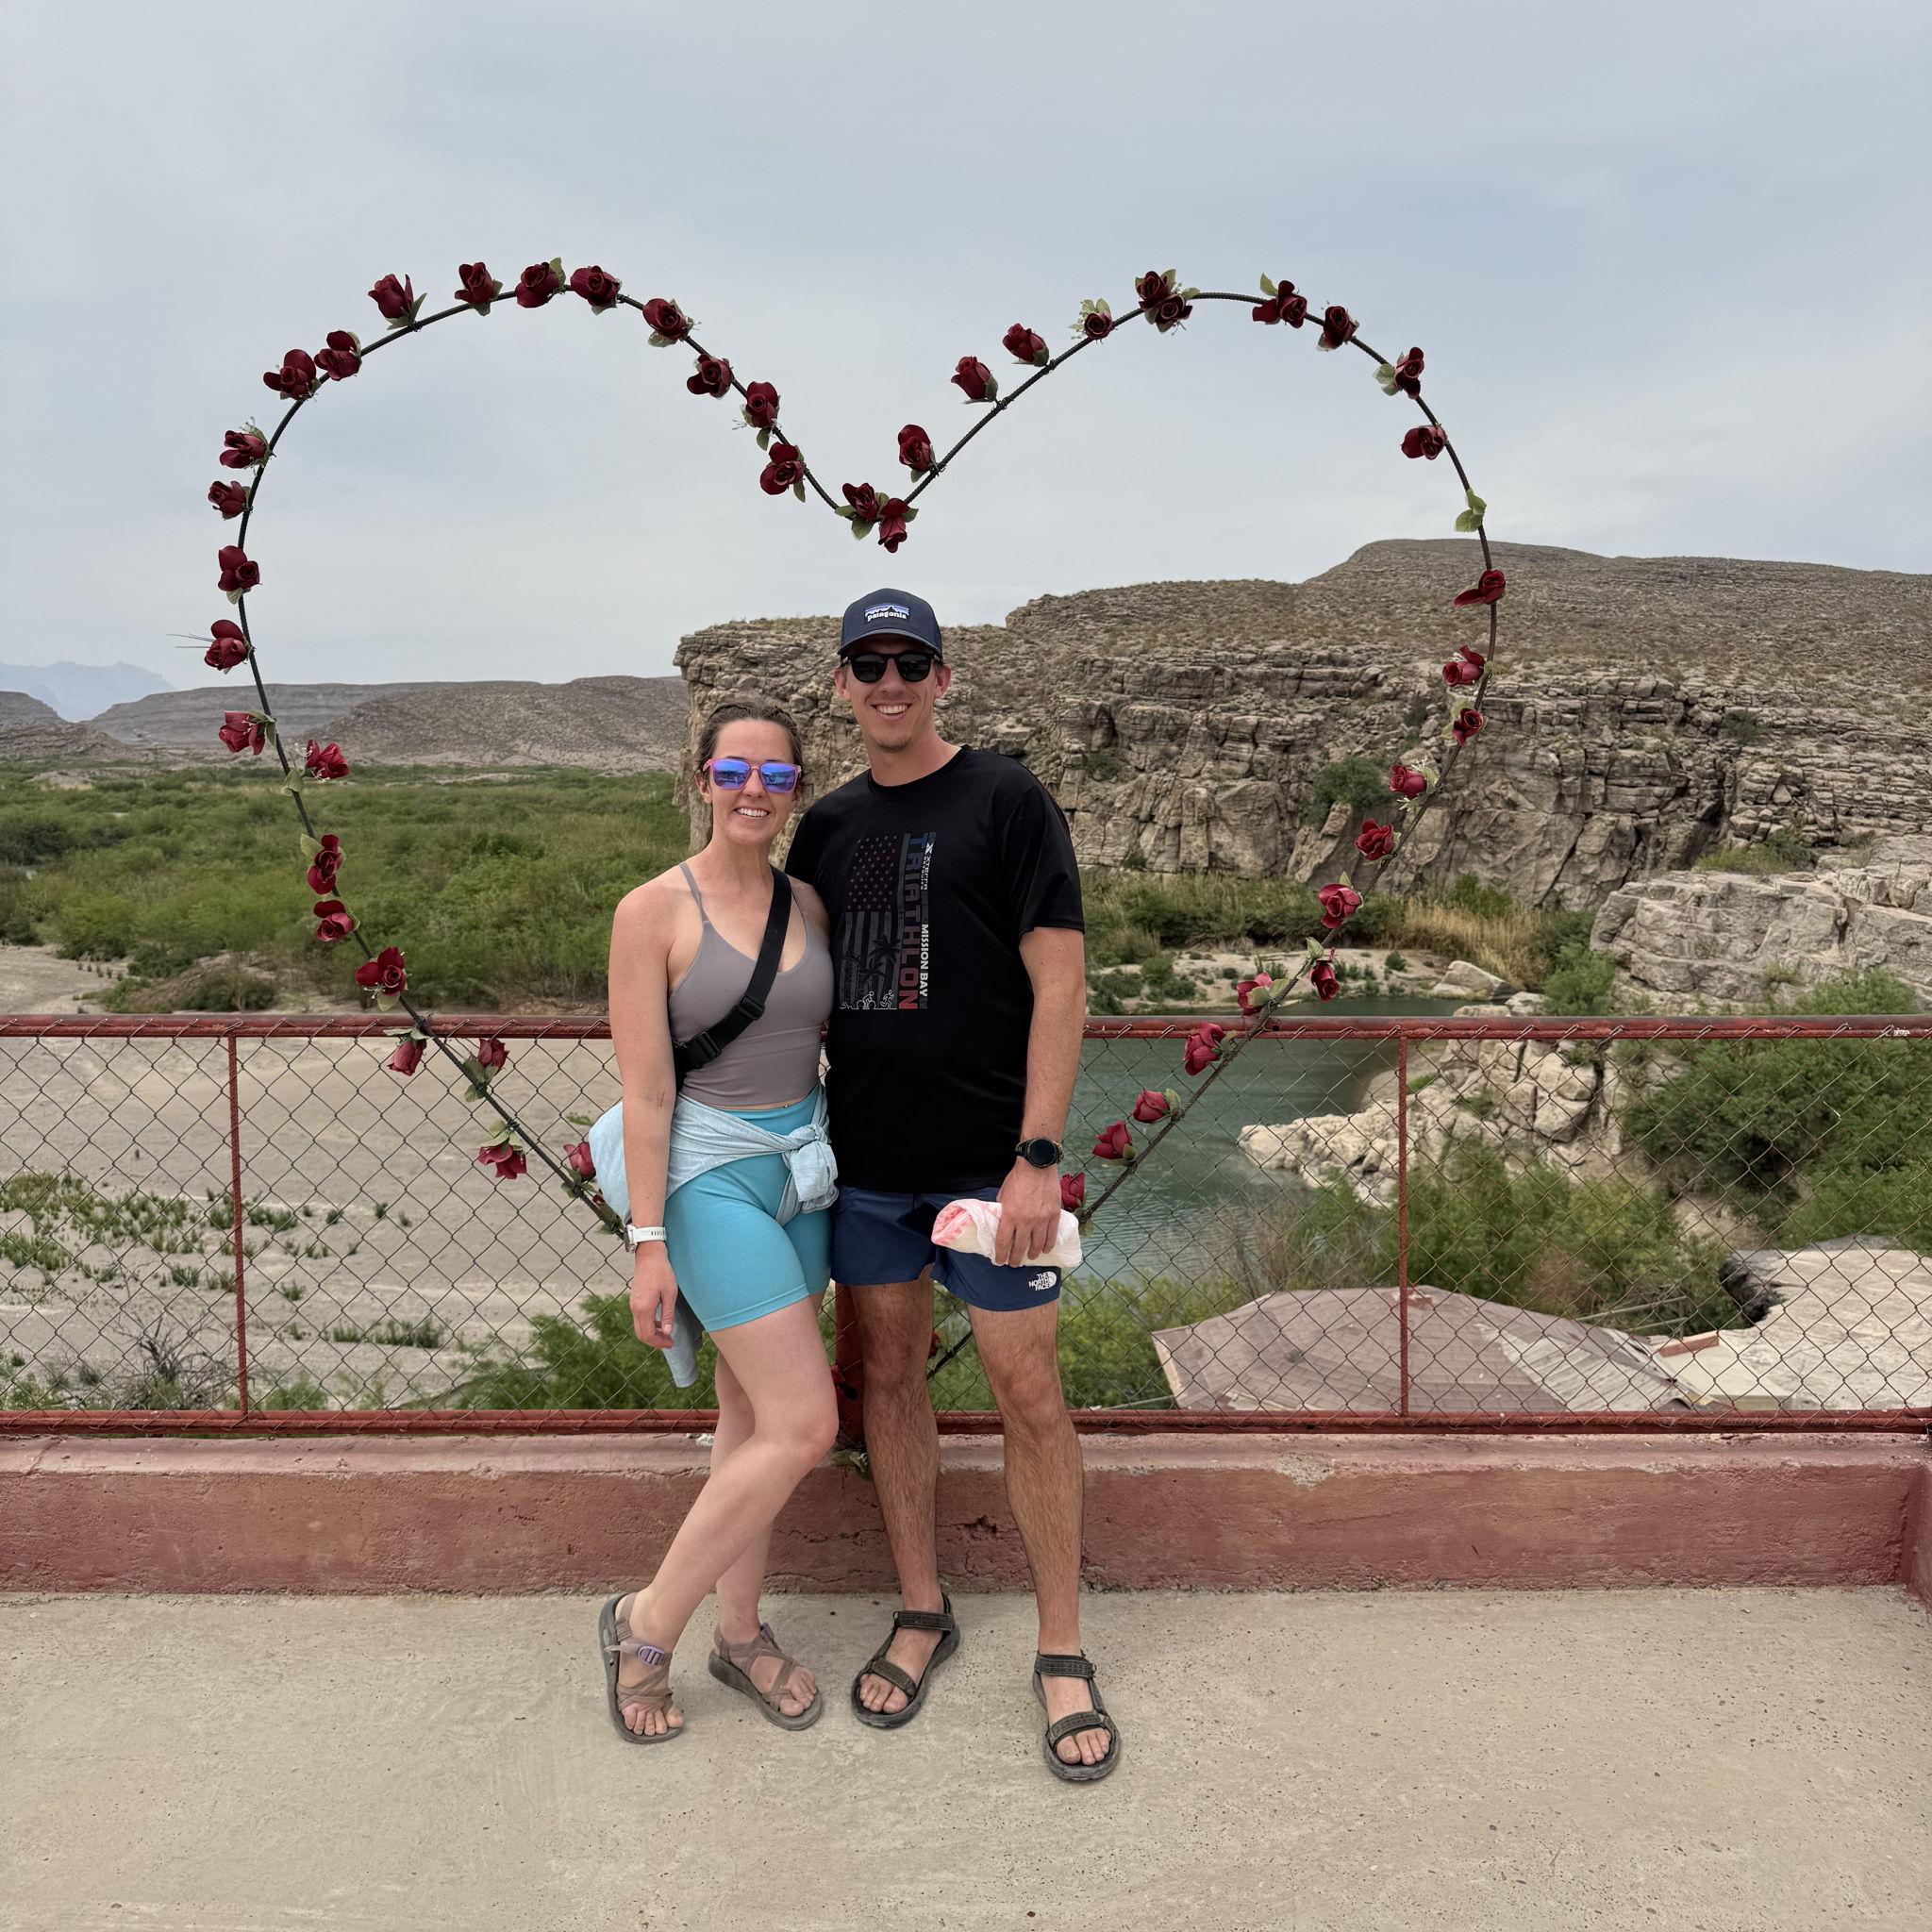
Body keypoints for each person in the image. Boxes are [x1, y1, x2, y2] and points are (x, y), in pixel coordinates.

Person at [783, 588, 1122, 1781]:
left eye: (908, 661)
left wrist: (1037, 1156)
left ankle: (1062, 1643)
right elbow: (790, 987)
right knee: (889, 1385)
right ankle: (921, 1608)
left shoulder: (1008, 799)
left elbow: (1063, 986)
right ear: (839, 683)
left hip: (991, 1172)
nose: (888, 681)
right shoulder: (820, 825)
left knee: (1029, 1390)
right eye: (866, 662)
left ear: (942, 677)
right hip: (867, 1171)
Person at [596, 698, 840, 1742]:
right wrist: (648, 1243)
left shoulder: (812, 906)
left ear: (794, 790)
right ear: (698, 779)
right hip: (708, 1180)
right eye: (734, 771)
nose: (754, 791)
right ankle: (646, 1623)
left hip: (806, 1174)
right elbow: (646, 1095)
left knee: (749, 1421)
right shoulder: (649, 911)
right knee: (807, 1422)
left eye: (776, 776)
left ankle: (738, 1634)